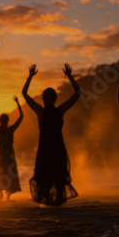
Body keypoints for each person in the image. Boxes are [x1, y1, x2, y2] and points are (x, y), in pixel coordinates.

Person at [23, 64, 80, 206]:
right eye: (45, 96)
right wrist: (29, 77)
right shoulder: (42, 111)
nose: (45, 99)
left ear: (51, 98)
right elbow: (24, 94)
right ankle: (51, 209)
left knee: (59, 181)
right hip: (46, 150)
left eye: (47, 96)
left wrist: (70, 76)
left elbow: (78, 93)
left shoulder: (57, 110)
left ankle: (57, 210)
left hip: (55, 150)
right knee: (45, 182)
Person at [0, 96, 23, 200]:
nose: (3, 121)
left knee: (9, 172)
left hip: (9, 152)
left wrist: (17, 103)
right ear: (0, 121)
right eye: (2, 120)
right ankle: (0, 192)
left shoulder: (11, 129)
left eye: (5, 120)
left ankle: (9, 192)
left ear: (7, 121)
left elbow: (21, 117)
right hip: (1, 153)